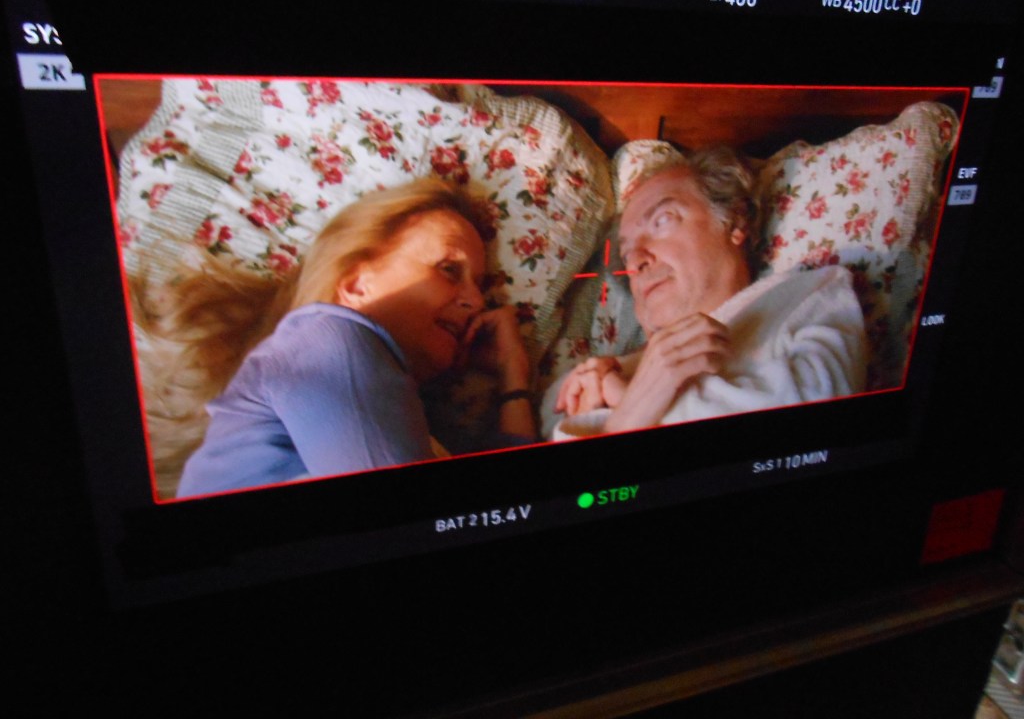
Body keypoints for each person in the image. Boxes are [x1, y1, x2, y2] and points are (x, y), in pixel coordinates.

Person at [158, 179, 534, 497]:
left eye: (479, 286)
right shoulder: (330, 341)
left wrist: (513, 375)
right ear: (356, 284)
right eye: (449, 269)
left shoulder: (404, 415)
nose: (476, 301)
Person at [552, 146, 867, 439]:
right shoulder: (594, 380)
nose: (635, 261)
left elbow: (814, 417)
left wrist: (630, 409)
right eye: (626, 254)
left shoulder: (810, 296)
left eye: (662, 221)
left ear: (734, 220)